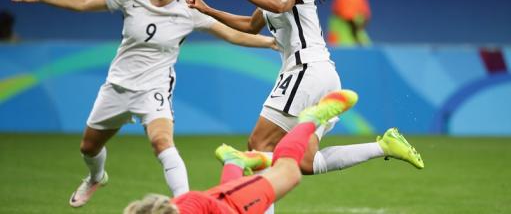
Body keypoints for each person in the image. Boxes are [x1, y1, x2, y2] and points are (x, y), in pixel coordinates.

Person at [5, 0, 277, 208]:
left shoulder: (189, 9)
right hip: (118, 87)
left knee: (162, 142)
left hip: (155, 89)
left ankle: (185, 204)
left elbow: (230, 33)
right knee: (88, 147)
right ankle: (97, 178)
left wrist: (268, 43)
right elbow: (85, 2)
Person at [186, 0, 423, 212]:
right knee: (305, 161)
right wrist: (207, 9)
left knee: (259, 143)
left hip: (305, 71)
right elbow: (250, 25)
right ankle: (384, 146)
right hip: (319, 74)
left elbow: (281, 5)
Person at [123, 89, 363, 214]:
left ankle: (310, 119)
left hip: (232, 205)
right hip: (219, 202)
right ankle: (233, 161)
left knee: (290, 172)